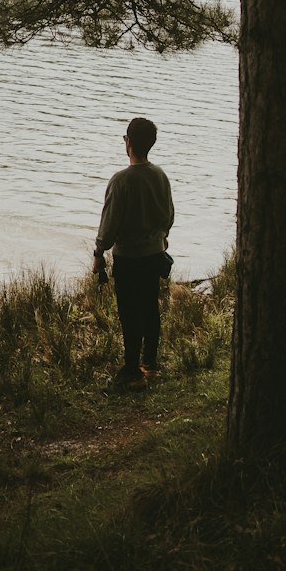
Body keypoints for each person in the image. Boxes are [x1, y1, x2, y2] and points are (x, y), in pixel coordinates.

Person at [92, 117, 175, 391]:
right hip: (154, 256)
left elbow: (109, 226)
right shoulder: (160, 176)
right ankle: (150, 365)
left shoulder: (121, 181)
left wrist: (98, 252)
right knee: (150, 308)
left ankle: (131, 370)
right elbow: (168, 218)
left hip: (128, 259)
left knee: (129, 313)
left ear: (128, 143)